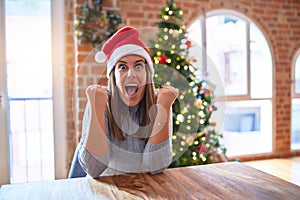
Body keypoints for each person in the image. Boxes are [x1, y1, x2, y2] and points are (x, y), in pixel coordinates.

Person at [72, 26, 178, 178]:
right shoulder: (100, 100)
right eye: (122, 67)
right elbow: (93, 168)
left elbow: (156, 166)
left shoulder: (160, 101)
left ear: (148, 73)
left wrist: (164, 108)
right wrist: (97, 109)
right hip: (105, 188)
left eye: (138, 66)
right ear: (113, 75)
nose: (131, 74)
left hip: (145, 189)